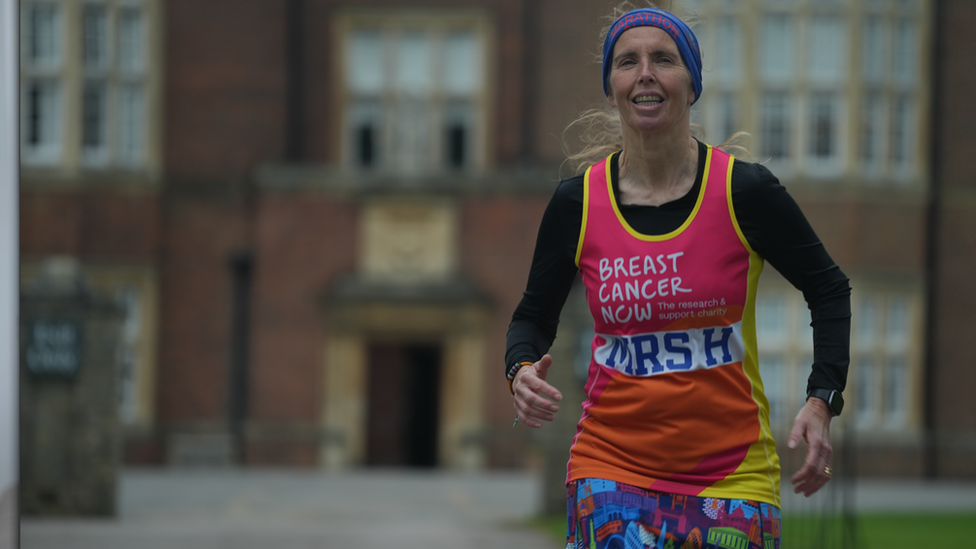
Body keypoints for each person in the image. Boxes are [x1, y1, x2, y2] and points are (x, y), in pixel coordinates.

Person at [505, 5, 851, 549]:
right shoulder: (578, 202)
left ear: (691, 84)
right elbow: (531, 316)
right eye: (628, 61)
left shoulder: (746, 192)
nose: (645, 72)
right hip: (609, 468)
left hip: (732, 479)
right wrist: (520, 369)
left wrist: (821, 399)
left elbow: (828, 288)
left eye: (663, 59)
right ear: (612, 86)